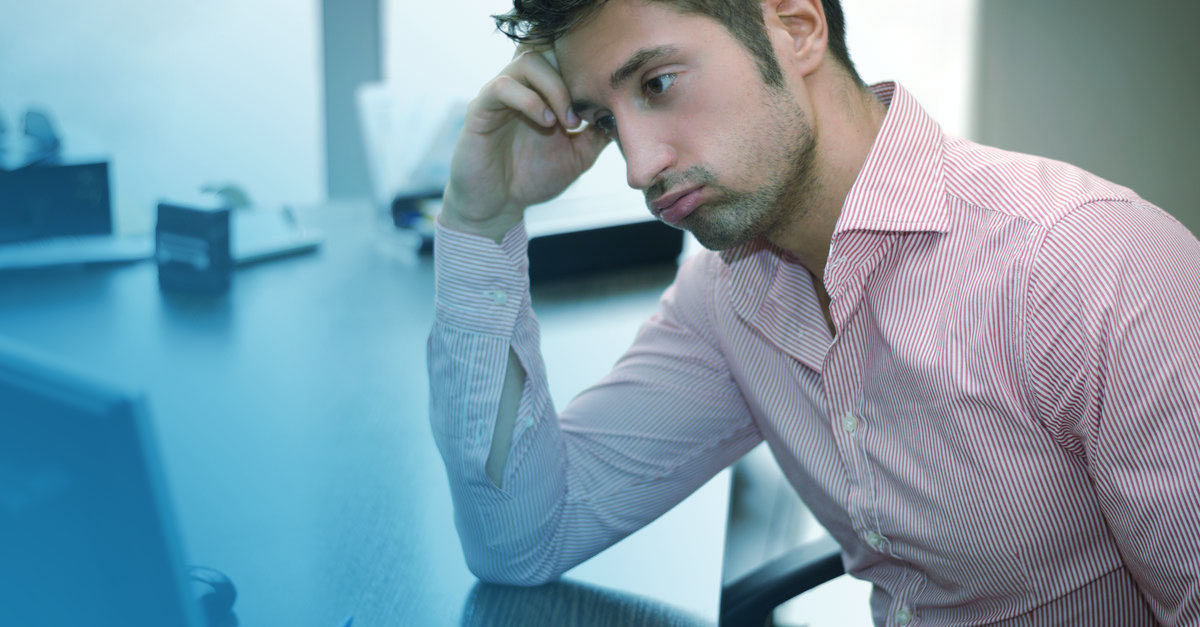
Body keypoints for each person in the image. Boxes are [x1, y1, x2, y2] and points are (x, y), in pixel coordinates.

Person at [426, 0, 1200, 623]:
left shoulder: (1087, 264)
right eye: (602, 119)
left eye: (658, 83)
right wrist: (479, 216)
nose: (637, 166)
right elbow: (522, 537)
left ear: (794, 27)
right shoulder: (730, 294)